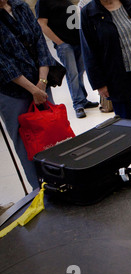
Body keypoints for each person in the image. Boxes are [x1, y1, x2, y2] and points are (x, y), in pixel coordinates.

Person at [0, 0, 57, 189]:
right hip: (13, 92)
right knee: (26, 143)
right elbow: (4, 64)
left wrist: (41, 82)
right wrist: (33, 90)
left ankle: (62, 177)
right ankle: (39, 190)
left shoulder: (20, 7)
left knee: (51, 131)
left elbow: (40, 43)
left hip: (41, 83)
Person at [80, 0, 131, 122]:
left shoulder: (129, 3)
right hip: (116, 76)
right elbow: (88, 50)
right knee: (125, 121)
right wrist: (99, 84)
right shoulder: (89, 12)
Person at [36, 0, 99, 119]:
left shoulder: (66, 1)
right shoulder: (43, 2)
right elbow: (42, 24)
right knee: (72, 73)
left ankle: (82, 99)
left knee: (80, 72)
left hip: (77, 41)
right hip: (64, 44)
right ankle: (78, 104)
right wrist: (59, 42)